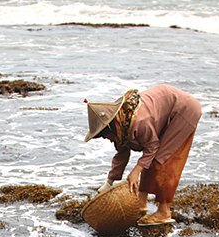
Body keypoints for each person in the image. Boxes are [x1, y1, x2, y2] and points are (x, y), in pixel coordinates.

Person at [84, 84, 202, 226]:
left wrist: (135, 172)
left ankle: (164, 212)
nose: (105, 139)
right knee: (149, 160)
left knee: (161, 160)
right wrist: (109, 181)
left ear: (111, 127)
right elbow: (121, 154)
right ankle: (141, 202)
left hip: (184, 110)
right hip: (163, 111)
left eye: (104, 136)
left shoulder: (139, 122)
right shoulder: (120, 126)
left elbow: (152, 147)